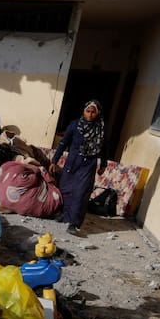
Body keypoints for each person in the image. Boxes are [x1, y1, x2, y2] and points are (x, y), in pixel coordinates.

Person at [50, 100, 108, 235]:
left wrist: (103, 165)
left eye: (93, 112)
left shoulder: (101, 129)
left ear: (98, 113)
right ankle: (65, 215)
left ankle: (74, 223)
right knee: (66, 188)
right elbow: (63, 143)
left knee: (81, 193)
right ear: (84, 111)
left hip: (89, 164)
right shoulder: (75, 125)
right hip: (73, 161)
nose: (90, 115)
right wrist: (54, 160)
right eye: (88, 111)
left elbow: (104, 148)